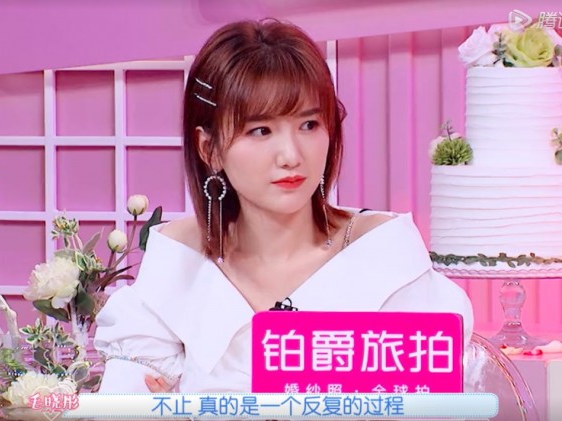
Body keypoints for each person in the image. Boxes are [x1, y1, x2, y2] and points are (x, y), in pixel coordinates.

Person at [94, 19, 474, 394]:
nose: (291, 155)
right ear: (209, 149)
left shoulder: (382, 255)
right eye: (261, 130)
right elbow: (129, 400)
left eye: (309, 125)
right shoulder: (182, 261)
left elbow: (428, 401)